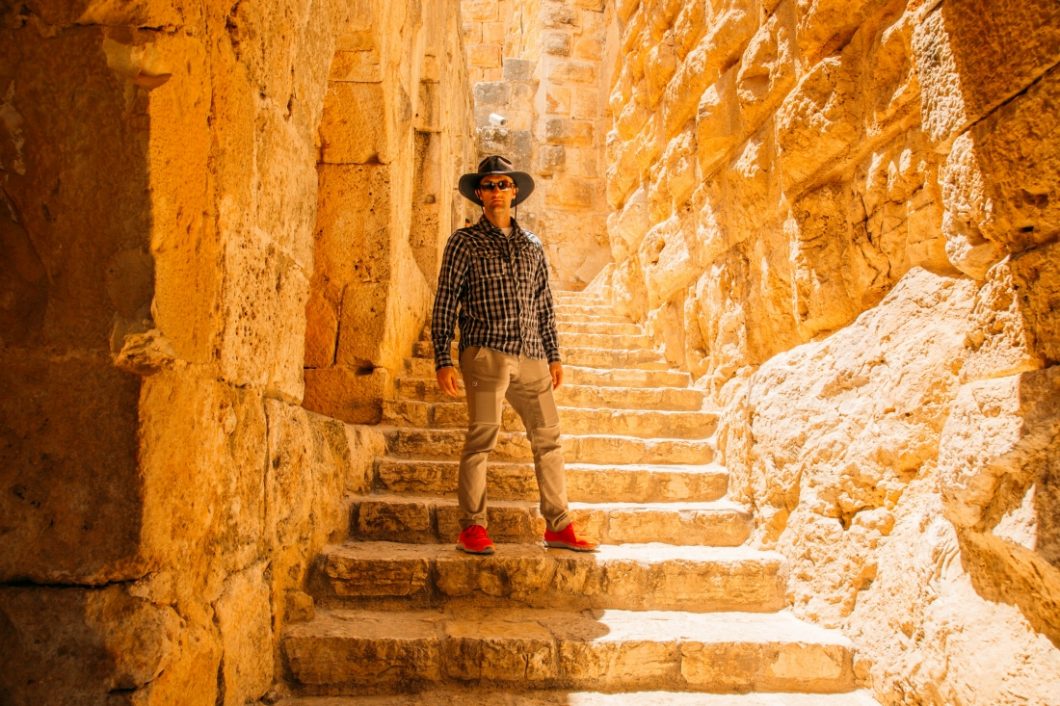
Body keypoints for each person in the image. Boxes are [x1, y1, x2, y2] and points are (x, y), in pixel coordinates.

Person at [431, 155, 597, 555]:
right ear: (479, 194)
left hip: (532, 356)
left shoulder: (532, 245)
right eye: (489, 186)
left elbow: (543, 303)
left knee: (549, 440)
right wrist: (442, 357)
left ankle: (558, 525)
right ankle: (472, 526)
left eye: (504, 185)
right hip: (485, 352)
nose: (497, 192)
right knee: (482, 438)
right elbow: (445, 301)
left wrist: (554, 354)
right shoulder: (464, 242)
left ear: (515, 191)